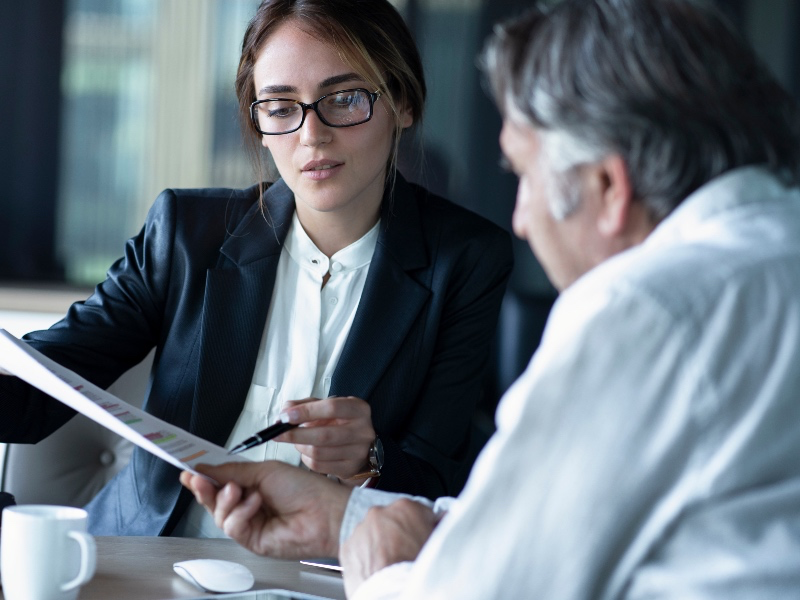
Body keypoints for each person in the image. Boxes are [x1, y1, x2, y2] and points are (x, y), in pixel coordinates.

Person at [181, 0, 800, 597]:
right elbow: (550, 523)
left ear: (608, 185)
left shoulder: (644, 309)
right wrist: (348, 517)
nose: (523, 219)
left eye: (524, 176)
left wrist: (377, 572)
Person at [0, 0, 513, 537]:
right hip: (147, 564)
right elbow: (40, 390)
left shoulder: (466, 260)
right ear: (260, 122)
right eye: (280, 106)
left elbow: (441, 479)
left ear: (402, 102)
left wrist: (370, 458)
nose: (312, 136)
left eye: (344, 99)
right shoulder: (184, 233)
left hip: (328, 576)